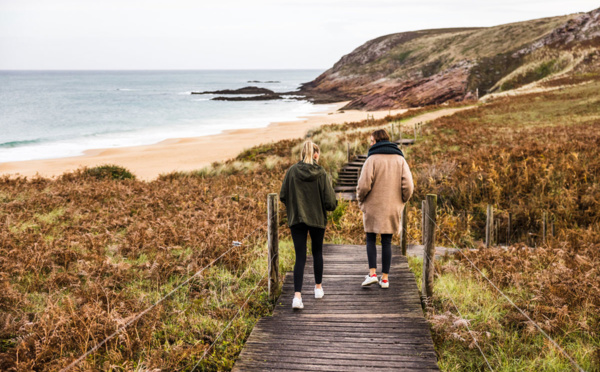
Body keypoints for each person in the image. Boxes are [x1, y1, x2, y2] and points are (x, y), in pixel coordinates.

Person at [280, 140, 337, 309]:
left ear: (302, 154)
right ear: (315, 154)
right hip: (317, 220)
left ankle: (297, 297)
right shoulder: (321, 173)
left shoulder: (291, 171)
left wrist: (296, 205)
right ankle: (318, 288)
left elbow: (283, 195)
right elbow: (331, 203)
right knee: (317, 252)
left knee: (300, 256)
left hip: (297, 219)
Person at [357, 129, 414, 288]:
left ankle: (372, 274)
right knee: (387, 241)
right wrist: (402, 202)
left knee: (370, 238)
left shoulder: (371, 159)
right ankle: (385, 279)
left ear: (377, 140)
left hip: (373, 206)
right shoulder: (400, 159)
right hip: (392, 206)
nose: (370, 143)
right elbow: (409, 186)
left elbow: (363, 185)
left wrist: (361, 201)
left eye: (371, 140)